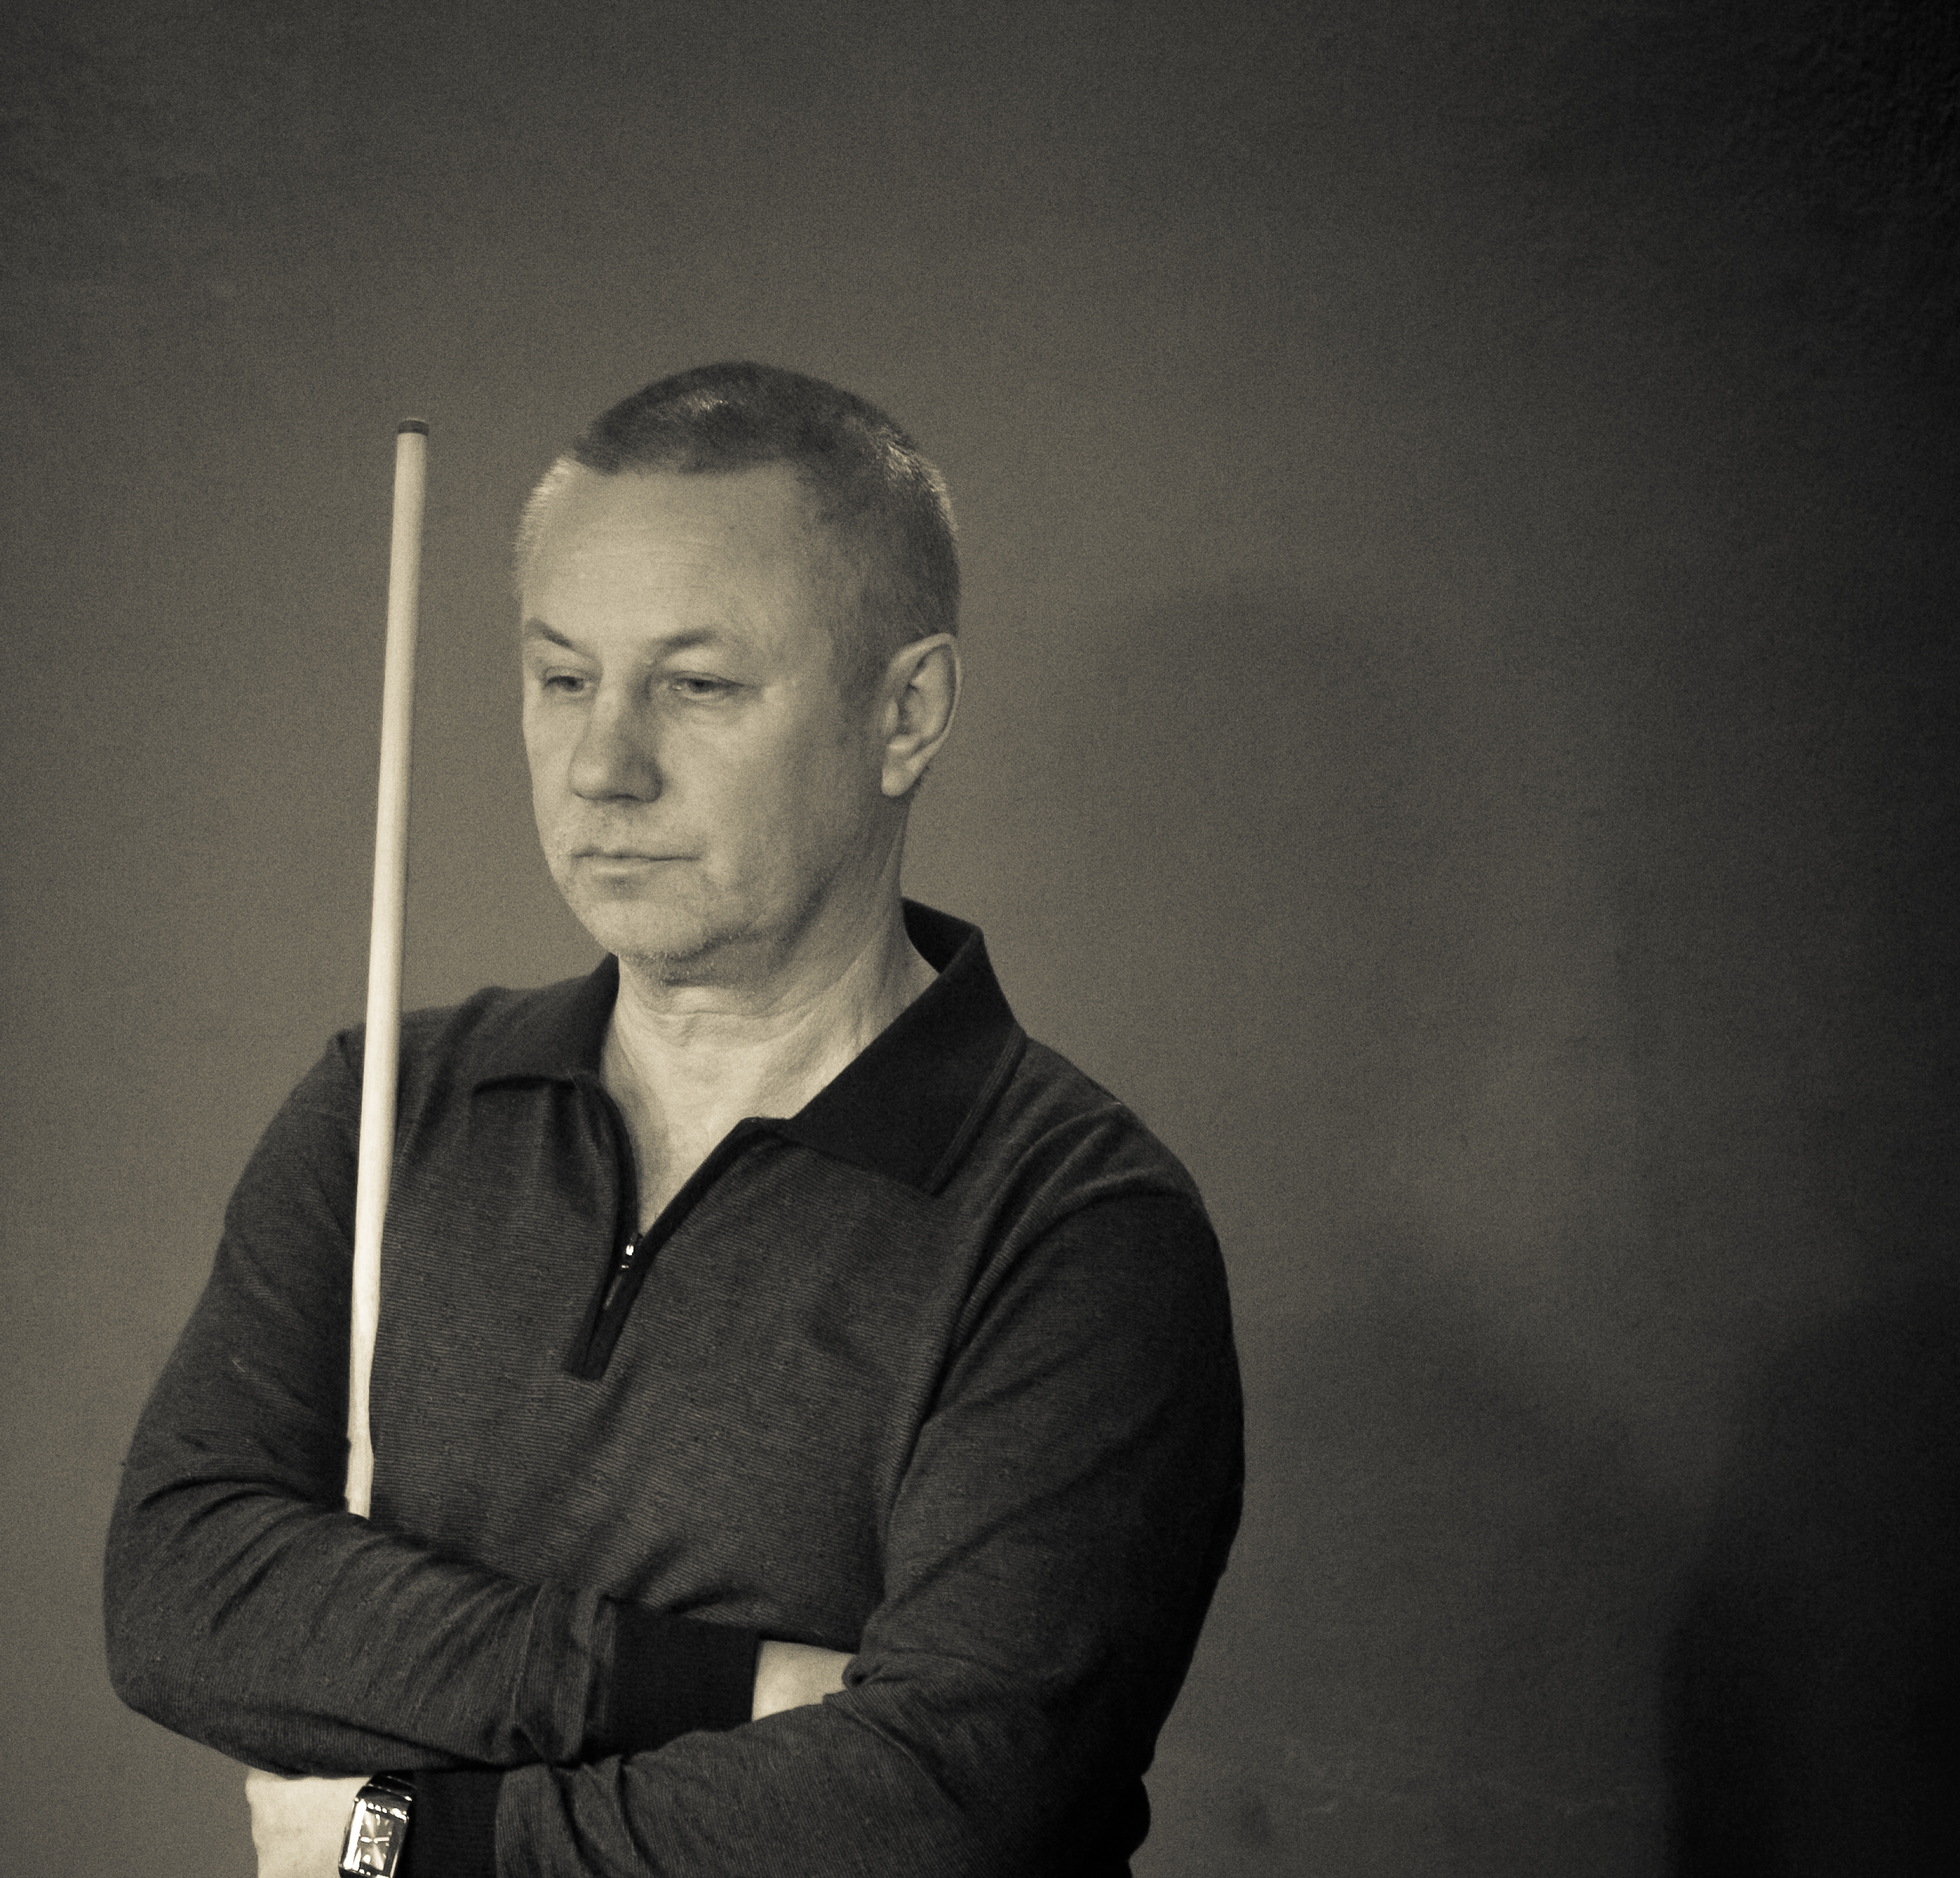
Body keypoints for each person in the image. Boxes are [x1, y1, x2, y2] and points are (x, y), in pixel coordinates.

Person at [104, 363, 1243, 1877]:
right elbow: (179, 1587)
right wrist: (709, 1681)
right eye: (562, 678)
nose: (602, 766)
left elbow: (947, 1803)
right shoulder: (391, 1100)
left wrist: (405, 1844)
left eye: (697, 686)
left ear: (905, 712)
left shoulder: (1078, 1225)